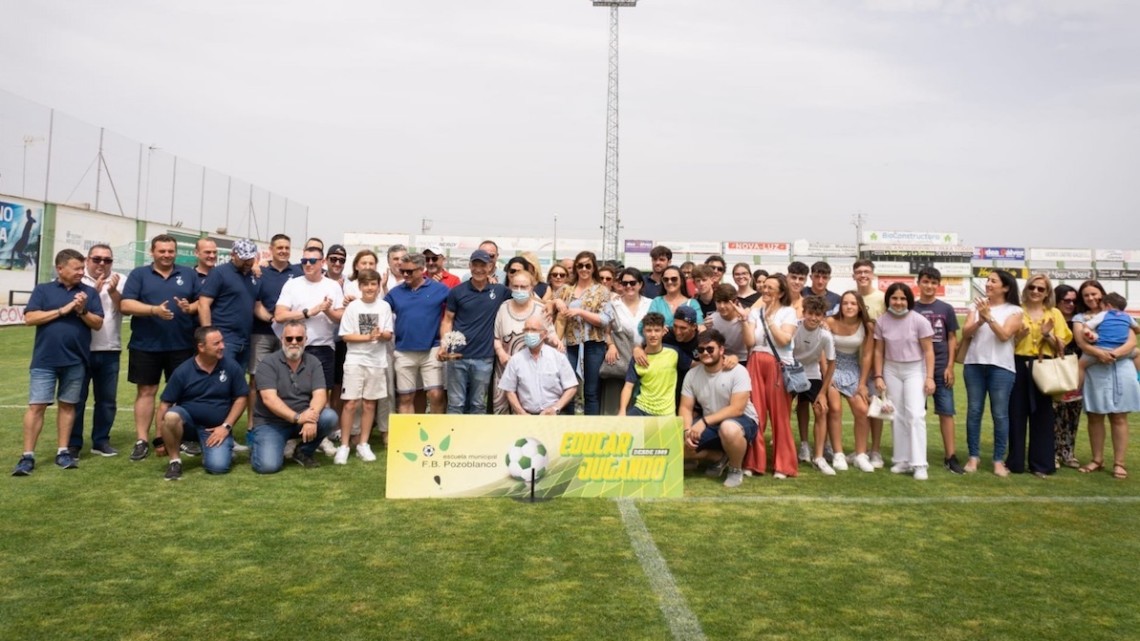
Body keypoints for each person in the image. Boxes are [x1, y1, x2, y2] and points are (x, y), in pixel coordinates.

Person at [11, 249, 104, 476]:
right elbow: (30, 318)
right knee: (37, 407)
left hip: (76, 361)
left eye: (82, 268)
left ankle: (63, 451)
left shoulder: (89, 293)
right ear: (60, 268)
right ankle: (27, 456)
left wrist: (81, 310)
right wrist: (64, 309)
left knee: (68, 405)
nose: (81, 272)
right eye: (77, 268)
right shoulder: (43, 290)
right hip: (45, 360)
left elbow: (98, 323)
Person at [120, 234, 200, 461]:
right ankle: (142, 440)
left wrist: (189, 307)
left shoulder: (188, 273)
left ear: (176, 252)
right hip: (146, 345)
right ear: (152, 252)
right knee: (146, 392)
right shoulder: (139, 274)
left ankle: (170, 437)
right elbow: (125, 304)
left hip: (182, 345)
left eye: (170, 251)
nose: (166, 255)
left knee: (180, 395)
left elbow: (200, 302)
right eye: (162, 251)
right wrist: (153, 310)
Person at [157, 326, 249, 480]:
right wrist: (159, 439)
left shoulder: (231, 366)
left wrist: (226, 427)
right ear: (201, 347)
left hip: (215, 429)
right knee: (171, 416)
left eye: (222, 341)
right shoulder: (183, 371)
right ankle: (175, 461)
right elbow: (164, 404)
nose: (222, 346)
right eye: (216, 343)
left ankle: (224, 449)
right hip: (188, 425)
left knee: (218, 467)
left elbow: (241, 398)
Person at [249, 321, 338, 473]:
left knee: (329, 417)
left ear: (306, 339)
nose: (294, 342)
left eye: (299, 338)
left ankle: (303, 451)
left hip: (302, 419)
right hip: (271, 423)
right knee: (267, 467)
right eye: (289, 338)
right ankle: (260, 446)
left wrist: (311, 417)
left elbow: (320, 394)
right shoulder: (267, 363)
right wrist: (298, 418)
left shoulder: (314, 362)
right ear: (282, 339)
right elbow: (269, 399)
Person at [1073, 280, 1138, 480]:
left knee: (1119, 416)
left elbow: (1131, 341)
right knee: (1095, 415)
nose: (1091, 298)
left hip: (1120, 367)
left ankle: (1119, 463)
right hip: (1096, 368)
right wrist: (1100, 353)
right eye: (1086, 295)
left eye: (1094, 294)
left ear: (1103, 295)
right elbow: (1081, 342)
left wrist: (1114, 354)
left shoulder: (1119, 316)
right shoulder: (1080, 318)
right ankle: (1097, 459)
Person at [1008, 274, 1072, 477]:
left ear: (1047, 293)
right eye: (1032, 287)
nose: (1035, 291)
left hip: (1044, 364)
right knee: (1016, 414)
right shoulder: (1017, 312)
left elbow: (1062, 346)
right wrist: (1019, 336)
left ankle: (1041, 464)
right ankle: (1015, 463)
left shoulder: (1054, 314)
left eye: (1041, 289)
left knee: (1043, 415)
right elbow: (1005, 343)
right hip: (1017, 363)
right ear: (1026, 289)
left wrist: (1047, 334)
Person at [962, 270, 1023, 476]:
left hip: (1001, 367)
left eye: (993, 281)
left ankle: (998, 459)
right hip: (974, 365)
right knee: (974, 412)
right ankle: (973, 457)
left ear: (1005, 287)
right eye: (988, 280)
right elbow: (966, 332)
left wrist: (988, 318)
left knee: (999, 414)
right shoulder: (976, 305)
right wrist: (980, 318)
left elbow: (1005, 336)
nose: (988, 284)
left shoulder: (1014, 310)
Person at [680, 329, 759, 489]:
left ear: (721, 350)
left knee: (728, 428)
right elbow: (685, 408)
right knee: (680, 446)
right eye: (701, 350)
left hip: (742, 420)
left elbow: (737, 409)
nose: (705, 353)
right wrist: (687, 430)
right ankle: (719, 457)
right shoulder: (692, 374)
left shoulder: (738, 371)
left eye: (710, 349)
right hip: (712, 423)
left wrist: (703, 421)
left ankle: (735, 469)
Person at [872, 283, 935, 481]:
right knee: (896, 415)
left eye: (902, 299)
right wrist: (879, 375)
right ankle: (901, 460)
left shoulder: (919, 321)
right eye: (894, 298)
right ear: (888, 299)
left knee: (915, 415)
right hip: (891, 369)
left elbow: (928, 351)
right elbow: (878, 351)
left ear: (908, 300)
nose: (898, 303)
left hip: (915, 369)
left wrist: (930, 377)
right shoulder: (882, 321)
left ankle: (919, 464)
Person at [742, 273, 798, 478]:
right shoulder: (755, 312)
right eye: (763, 287)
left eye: (770, 288)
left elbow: (784, 340)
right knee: (755, 414)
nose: (765, 291)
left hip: (778, 364)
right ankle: (754, 462)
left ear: (781, 292)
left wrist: (770, 321)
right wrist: (744, 321)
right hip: (755, 362)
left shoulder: (789, 312)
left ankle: (783, 465)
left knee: (780, 417)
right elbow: (749, 342)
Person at [335, 269, 393, 464]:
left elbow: (388, 334)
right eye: (366, 284)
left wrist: (381, 335)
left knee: (370, 403)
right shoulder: (353, 307)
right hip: (355, 360)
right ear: (360, 287)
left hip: (377, 362)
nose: (370, 288)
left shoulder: (384, 306)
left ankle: (363, 443)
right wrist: (369, 337)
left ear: (378, 286)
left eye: (373, 284)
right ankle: (344, 445)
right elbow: (346, 335)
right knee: (351, 403)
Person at [439, 249, 507, 414]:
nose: (478, 269)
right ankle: (453, 438)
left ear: (490, 266)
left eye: (483, 265)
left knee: (478, 404)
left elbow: (524, 296)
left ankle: (475, 440)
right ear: (469, 265)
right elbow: (448, 320)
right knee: (456, 403)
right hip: (458, 356)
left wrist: (552, 302)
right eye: (475, 265)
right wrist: (444, 345)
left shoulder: (499, 291)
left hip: (484, 358)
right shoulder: (457, 291)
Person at [70, 244, 122, 458]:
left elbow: (125, 307)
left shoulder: (121, 280)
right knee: (76, 399)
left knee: (107, 401)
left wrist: (112, 292)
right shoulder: (77, 280)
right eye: (97, 259)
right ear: (87, 259)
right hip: (80, 350)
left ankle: (101, 441)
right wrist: (94, 294)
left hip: (110, 348)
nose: (102, 263)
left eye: (107, 260)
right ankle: (73, 443)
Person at [913, 267, 965, 474]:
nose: (929, 286)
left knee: (946, 412)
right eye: (926, 281)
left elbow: (952, 338)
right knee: (917, 413)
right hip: (917, 368)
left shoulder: (946, 308)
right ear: (919, 282)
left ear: (938, 285)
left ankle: (950, 457)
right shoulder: (911, 308)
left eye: (934, 283)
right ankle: (915, 455)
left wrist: (950, 366)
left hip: (942, 367)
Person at [274, 245, 345, 393]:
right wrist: (308, 312)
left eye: (312, 260)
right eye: (304, 260)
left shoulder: (333, 286)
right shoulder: (292, 284)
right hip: (295, 346)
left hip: (323, 347)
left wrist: (327, 311)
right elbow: (279, 315)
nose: (307, 264)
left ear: (322, 262)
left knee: (322, 395)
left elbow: (340, 318)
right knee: (293, 393)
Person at [384, 253, 450, 414]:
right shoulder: (395, 292)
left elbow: (455, 311)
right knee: (406, 398)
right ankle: (410, 437)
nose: (405, 274)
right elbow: (380, 311)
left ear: (422, 270)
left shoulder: (440, 290)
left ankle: (437, 434)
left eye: (410, 271)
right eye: (402, 270)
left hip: (432, 350)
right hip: (403, 350)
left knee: (436, 394)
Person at [493, 268, 560, 414]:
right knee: (502, 412)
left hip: (532, 373)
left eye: (523, 287)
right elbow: (496, 337)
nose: (519, 290)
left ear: (531, 288)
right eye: (515, 286)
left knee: (527, 413)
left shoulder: (542, 309)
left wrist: (557, 342)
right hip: (505, 368)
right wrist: (501, 354)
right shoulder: (503, 308)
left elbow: (550, 335)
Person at [552, 251, 610, 416]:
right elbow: (549, 302)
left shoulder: (601, 291)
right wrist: (556, 301)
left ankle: (591, 429)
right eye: (580, 265)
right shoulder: (566, 289)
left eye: (588, 266)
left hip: (593, 345)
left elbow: (605, 319)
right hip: (569, 345)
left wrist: (580, 312)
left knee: (591, 392)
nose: (584, 269)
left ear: (593, 268)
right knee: (568, 388)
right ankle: (568, 426)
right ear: (575, 268)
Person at [199, 238, 264, 372]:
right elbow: (203, 304)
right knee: (221, 379)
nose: (247, 262)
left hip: (245, 339)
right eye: (243, 258)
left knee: (238, 381)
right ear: (233, 255)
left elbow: (257, 306)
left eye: (250, 258)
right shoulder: (219, 273)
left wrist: (272, 318)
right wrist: (209, 336)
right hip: (224, 338)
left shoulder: (254, 276)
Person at [827, 292, 875, 472]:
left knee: (862, 410)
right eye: (845, 303)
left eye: (853, 303)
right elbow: (822, 349)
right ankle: (838, 454)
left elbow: (868, 355)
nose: (849, 307)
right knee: (835, 408)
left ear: (860, 306)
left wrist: (862, 384)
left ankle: (860, 455)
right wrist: (827, 377)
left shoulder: (867, 326)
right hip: (831, 367)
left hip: (853, 368)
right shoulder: (830, 322)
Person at [792, 296, 838, 475]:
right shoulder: (794, 327)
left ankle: (818, 457)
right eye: (810, 313)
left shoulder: (825, 335)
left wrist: (823, 392)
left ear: (823, 316)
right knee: (794, 407)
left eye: (818, 314)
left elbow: (832, 362)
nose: (813, 318)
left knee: (821, 409)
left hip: (812, 374)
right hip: (791, 371)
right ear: (804, 313)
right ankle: (802, 446)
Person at [498, 316, 579, 415]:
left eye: (533, 330)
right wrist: (521, 412)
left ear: (544, 334)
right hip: (526, 415)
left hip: (554, 415)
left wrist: (555, 408)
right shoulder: (516, 360)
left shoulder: (558, 357)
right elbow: (509, 390)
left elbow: (571, 387)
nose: (529, 333)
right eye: (526, 330)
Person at [618, 312, 691, 416]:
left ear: (663, 331)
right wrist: (622, 410)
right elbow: (628, 386)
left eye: (657, 330)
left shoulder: (674, 353)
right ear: (643, 332)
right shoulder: (637, 358)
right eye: (649, 330)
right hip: (642, 409)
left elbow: (695, 365)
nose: (653, 334)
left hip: (666, 414)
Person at [601, 267, 652, 414]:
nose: (629, 286)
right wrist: (610, 345)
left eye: (632, 282)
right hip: (620, 360)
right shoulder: (612, 305)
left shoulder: (650, 304)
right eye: (625, 283)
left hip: (645, 360)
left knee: (640, 407)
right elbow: (606, 331)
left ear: (640, 284)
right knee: (615, 408)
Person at [853, 259, 886, 467]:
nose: (863, 275)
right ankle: (861, 450)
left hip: (875, 363)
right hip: (851, 360)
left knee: (876, 408)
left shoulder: (882, 298)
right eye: (859, 272)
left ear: (873, 274)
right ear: (854, 275)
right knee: (860, 408)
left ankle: (875, 451)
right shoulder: (851, 298)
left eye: (866, 271)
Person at [1052, 284, 1083, 468]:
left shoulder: (1080, 321)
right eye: (1066, 300)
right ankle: (1053, 452)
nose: (1071, 304)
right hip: (1055, 370)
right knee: (1055, 414)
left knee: (1073, 414)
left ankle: (1068, 452)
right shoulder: (1052, 318)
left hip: (1077, 372)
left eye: (1074, 300)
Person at [1077, 292, 1135, 386]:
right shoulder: (1127, 316)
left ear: (1107, 305)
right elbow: (1137, 329)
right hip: (1121, 350)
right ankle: (1137, 377)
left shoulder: (1104, 314)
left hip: (1101, 348)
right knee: (1137, 353)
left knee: (1081, 365)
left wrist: (1086, 329)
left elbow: (1087, 325)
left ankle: (1076, 389)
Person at [707, 283, 749, 361]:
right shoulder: (711, 320)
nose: (722, 306)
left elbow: (750, 344)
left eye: (726, 302)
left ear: (735, 302)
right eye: (719, 302)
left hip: (745, 358)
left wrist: (744, 320)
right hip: (723, 359)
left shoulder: (745, 316)